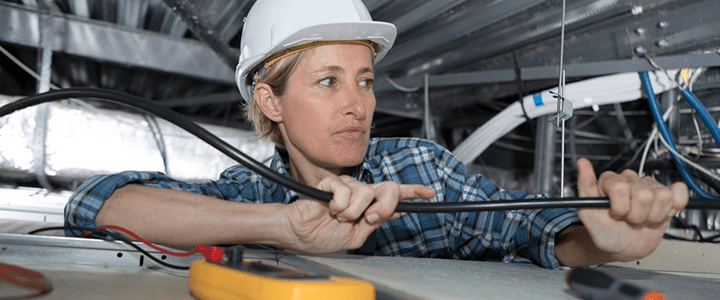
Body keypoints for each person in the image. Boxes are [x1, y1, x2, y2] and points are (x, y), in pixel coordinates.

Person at [64, 0, 688, 269]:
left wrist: (605, 243)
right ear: (268, 100)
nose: (358, 104)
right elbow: (94, 203)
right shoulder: (242, 196)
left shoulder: (417, 169)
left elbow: (532, 234)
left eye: (364, 80)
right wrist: (284, 227)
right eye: (328, 81)